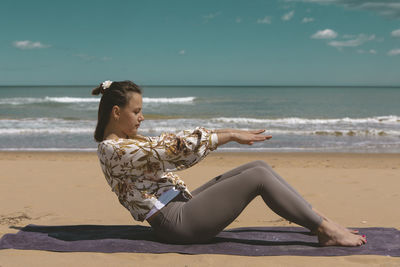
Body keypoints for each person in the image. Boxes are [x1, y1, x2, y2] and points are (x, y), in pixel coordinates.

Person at [92, 80, 367, 246]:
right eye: (137, 111)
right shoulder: (113, 150)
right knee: (256, 180)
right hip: (176, 224)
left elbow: (168, 145)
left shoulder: (128, 142)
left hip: (181, 206)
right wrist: (229, 135)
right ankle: (324, 230)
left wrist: (227, 134)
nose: (142, 117)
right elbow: (172, 148)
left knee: (257, 166)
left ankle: (320, 221)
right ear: (116, 112)